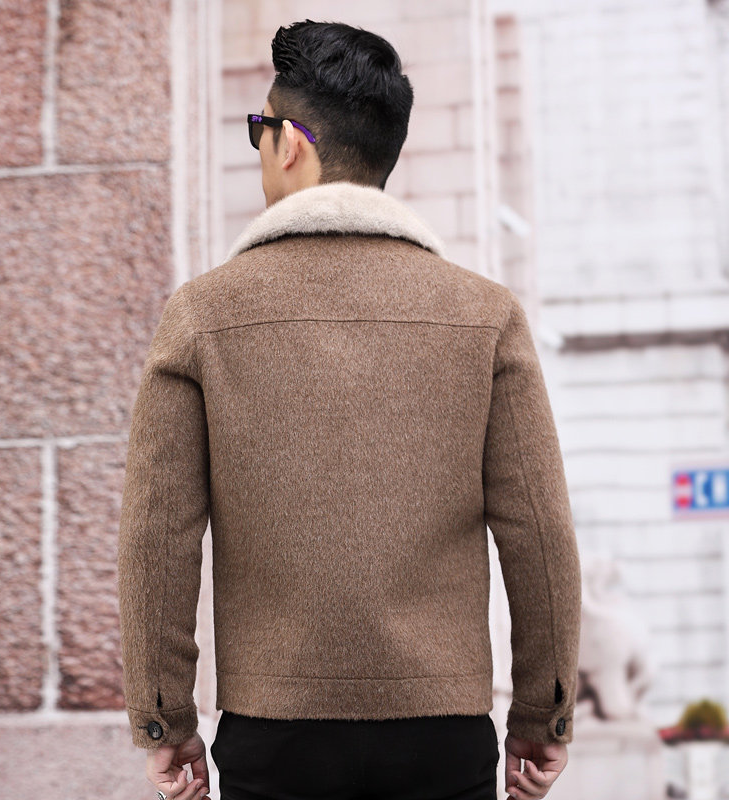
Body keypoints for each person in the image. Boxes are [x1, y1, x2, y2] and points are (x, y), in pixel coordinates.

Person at [117, 19, 582, 800]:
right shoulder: (485, 315)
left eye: (260, 129)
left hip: (274, 732)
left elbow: (157, 536)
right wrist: (544, 712)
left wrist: (165, 720)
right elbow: (539, 531)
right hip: (442, 732)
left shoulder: (202, 315)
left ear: (290, 145)